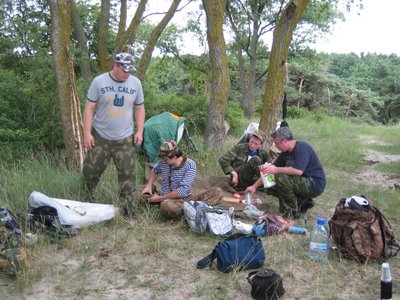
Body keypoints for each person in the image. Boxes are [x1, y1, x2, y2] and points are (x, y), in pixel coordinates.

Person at [82, 52, 145, 218]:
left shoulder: (135, 83)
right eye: (125, 70)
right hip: (100, 136)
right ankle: (87, 204)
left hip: (125, 138)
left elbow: (139, 108)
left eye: (130, 71)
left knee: (128, 176)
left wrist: (140, 131)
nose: (128, 74)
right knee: (90, 172)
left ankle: (128, 211)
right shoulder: (99, 81)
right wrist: (87, 133)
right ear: (116, 66)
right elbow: (89, 108)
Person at [245, 127, 326, 219]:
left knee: (280, 177)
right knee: (269, 184)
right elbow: (270, 170)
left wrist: (276, 170)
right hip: (302, 182)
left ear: (284, 141)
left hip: (314, 184)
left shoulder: (302, 148)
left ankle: (290, 213)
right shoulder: (285, 153)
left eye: (277, 143)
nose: (276, 146)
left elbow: (298, 171)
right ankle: (302, 202)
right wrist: (254, 186)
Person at [141, 140, 222, 219]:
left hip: (185, 199)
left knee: (217, 192)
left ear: (175, 157)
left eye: (165, 159)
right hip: (167, 199)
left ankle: (191, 210)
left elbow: (182, 191)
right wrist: (149, 185)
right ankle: (195, 210)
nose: (163, 161)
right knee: (145, 194)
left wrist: (158, 198)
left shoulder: (190, 165)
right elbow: (154, 171)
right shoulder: (163, 162)